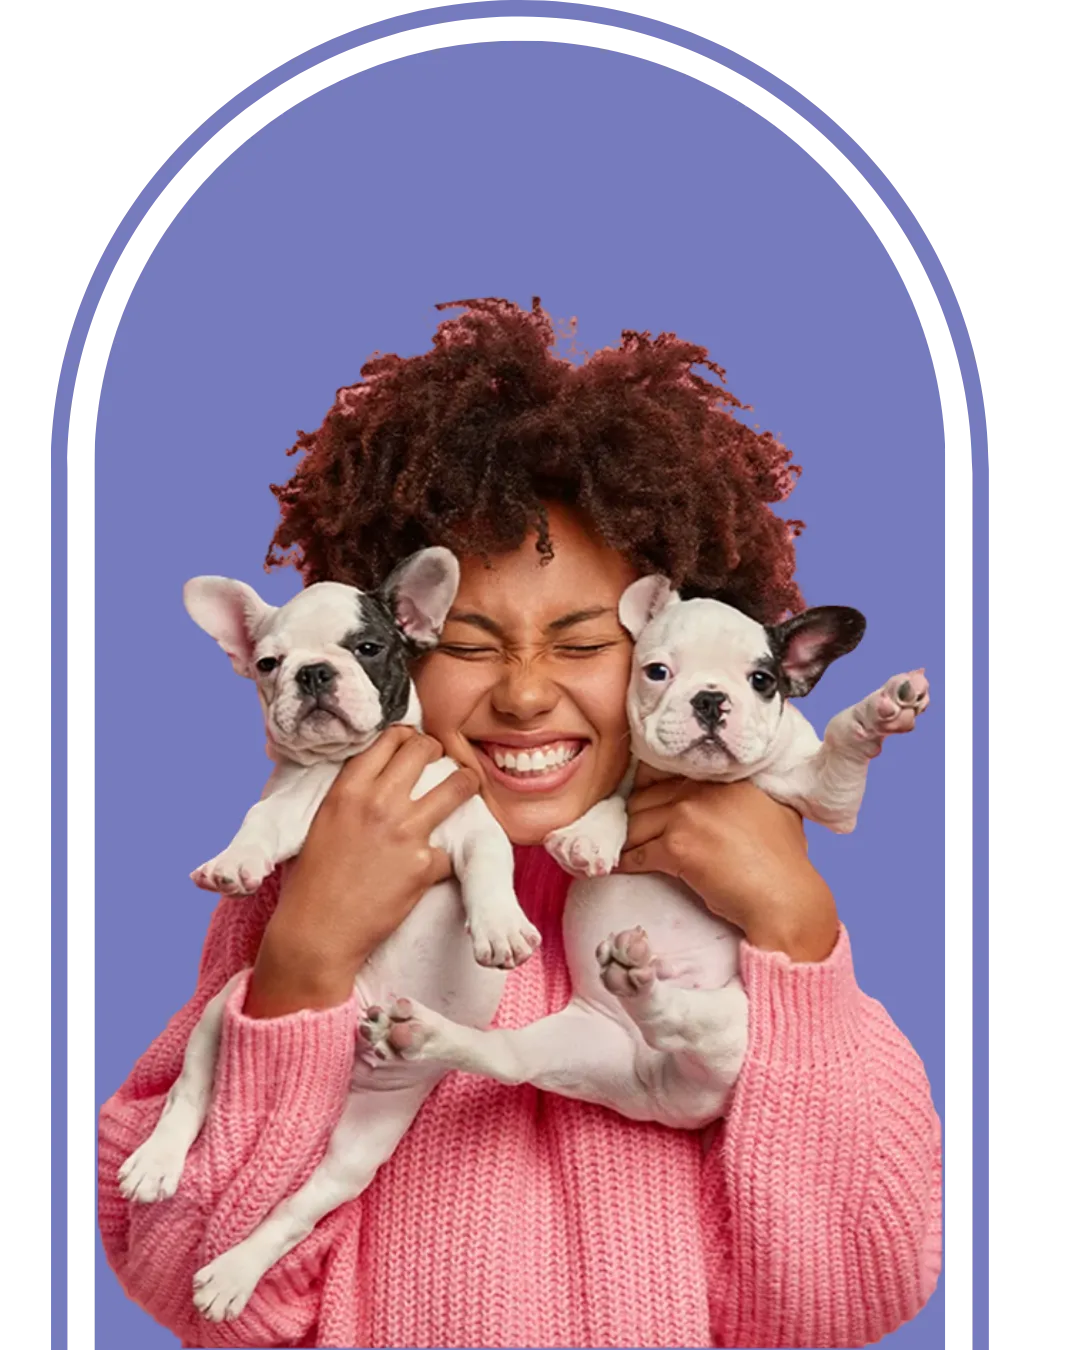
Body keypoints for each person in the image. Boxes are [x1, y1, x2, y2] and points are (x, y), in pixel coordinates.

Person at [98, 297, 942, 1349]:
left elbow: (852, 1292)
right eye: (469, 643)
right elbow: (194, 1287)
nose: (528, 694)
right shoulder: (298, 878)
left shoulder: (738, 913)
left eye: (583, 644)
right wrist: (307, 956)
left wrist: (797, 934)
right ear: (400, 640)